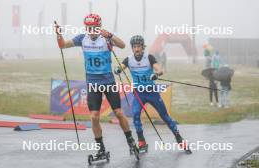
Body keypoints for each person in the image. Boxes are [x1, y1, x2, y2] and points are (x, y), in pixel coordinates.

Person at [54, 14, 138, 157]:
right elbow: (62, 45)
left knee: (118, 113)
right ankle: (101, 148)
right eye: (88, 28)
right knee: (94, 117)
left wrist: (111, 36)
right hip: (93, 83)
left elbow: (123, 45)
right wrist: (58, 35)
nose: (91, 30)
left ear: (99, 27)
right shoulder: (82, 38)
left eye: (94, 28)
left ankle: (131, 141)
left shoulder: (105, 37)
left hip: (109, 82)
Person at [114, 35, 189, 152]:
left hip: (151, 92)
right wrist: (117, 70)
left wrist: (156, 74)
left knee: (164, 116)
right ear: (132, 48)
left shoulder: (149, 57)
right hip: (139, 93)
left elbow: (160, 69)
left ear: (142, 48)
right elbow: (120, 67)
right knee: (135, 115)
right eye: (134, 47)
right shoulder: (129, 60)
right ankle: (141, 141)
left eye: (139, 46)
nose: (137, 49)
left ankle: (179, 138)